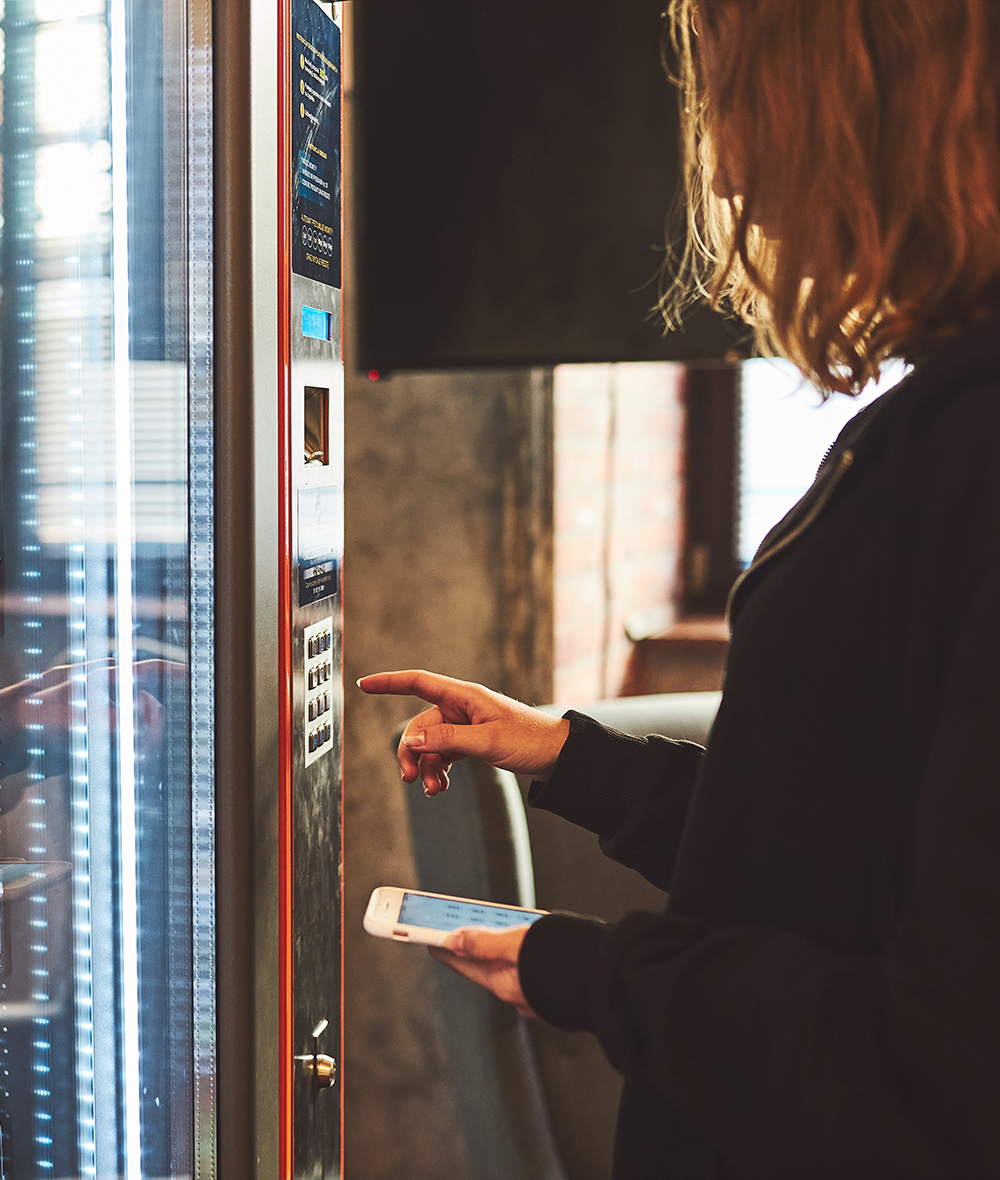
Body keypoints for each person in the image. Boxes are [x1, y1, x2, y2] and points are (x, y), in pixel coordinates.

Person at [360, 1, 1000, 1175]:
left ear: (863, 103)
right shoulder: (932, 423)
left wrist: (596, 974)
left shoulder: (970, 456)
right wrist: (572, 755)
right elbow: (824, 852)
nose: (731, 168)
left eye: (733, 93)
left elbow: (940, 1067)